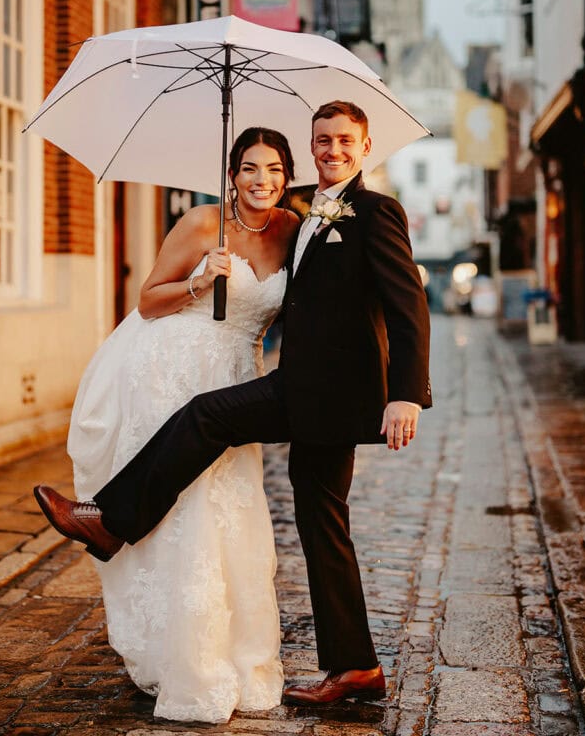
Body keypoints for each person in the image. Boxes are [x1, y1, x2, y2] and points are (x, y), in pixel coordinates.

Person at [35, 99, 432, 709]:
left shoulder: (376, 211)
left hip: (327, 394)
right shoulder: (301, 219)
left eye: (344, 141)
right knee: (320, 521)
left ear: (366, 146)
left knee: (207, 416)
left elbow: (408, 305)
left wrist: (405, 393)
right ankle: (356, 668)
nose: (333, 150)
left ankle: (111, 520)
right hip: (305, 388)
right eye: (322, 140)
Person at [63, 127, 299, 724]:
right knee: (185, 511)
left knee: (228, 508)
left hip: (237, 374)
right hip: (172, 367)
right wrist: (200, 280)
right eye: (248, 168)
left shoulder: (295, 231)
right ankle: (185, 663)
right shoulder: (201, 223)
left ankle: (236, 656)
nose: (260, 180)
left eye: (272, 169)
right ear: (232, 174)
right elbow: (147, 300)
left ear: (287, 176)